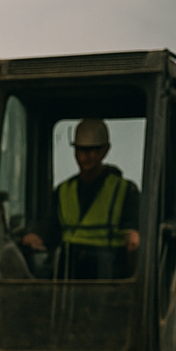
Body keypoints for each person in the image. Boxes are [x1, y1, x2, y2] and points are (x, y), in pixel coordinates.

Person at [21, 118, 141, 280]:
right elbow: (51, 228)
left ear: (105, 150)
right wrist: (37, 237)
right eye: (81, 150)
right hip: (70, 274)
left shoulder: (125, 191)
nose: (87, 156)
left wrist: (133, 234)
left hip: (109, 274)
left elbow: (133, 225)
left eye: (93, 150)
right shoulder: (63, 191)